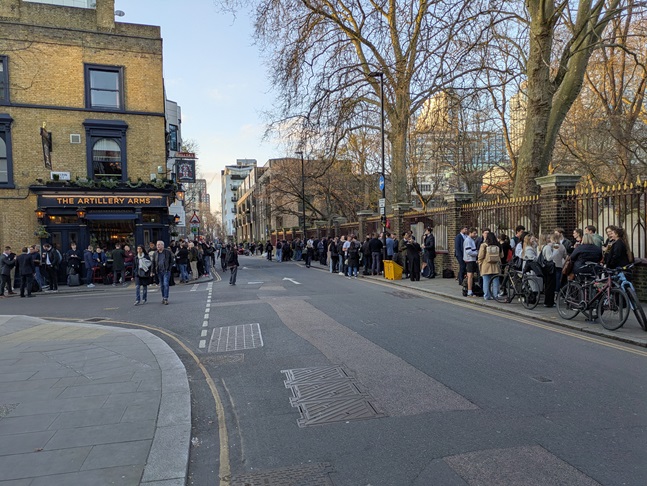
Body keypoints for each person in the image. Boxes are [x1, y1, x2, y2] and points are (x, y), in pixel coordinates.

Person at [478, 232, 502, 301]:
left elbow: (480, 256)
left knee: (486, 281)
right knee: (496, 281)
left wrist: (480, 262)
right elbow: (501, 255)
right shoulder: (498, 245)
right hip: (496, 265)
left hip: (486, 265)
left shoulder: (484, 245)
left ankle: (487, 296)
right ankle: (495, 295)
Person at [151, 240, 173, 305]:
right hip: (159, 271)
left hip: (166, 271)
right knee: (162, 285)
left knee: (166, 284)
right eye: (157, 244)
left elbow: (171, 261)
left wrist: (169, 268)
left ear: (163, 245)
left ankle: (166, 298)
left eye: (159, 244)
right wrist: (152, 271)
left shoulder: (168, 252)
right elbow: (153, 263)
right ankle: (163, 297)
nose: (157, 246)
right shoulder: (155, 253)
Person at [463, 228, 479, 297]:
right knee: (470, 276)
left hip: (472, 259)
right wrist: (477, 253)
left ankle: (470, 289)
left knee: (471, 275)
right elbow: (468, 251)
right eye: (474, 233)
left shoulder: (471, 240)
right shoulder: (468, 240)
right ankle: (469, 291)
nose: (476, 234)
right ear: (470, 233)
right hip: (469, 260)